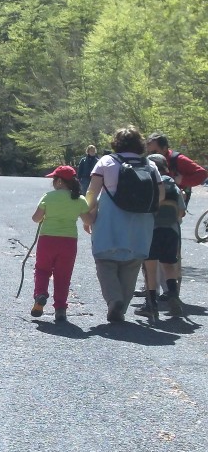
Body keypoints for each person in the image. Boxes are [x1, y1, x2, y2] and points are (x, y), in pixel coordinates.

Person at [84, 126, 164, 323]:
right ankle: (121, 307)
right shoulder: (150, 165)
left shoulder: (106, 161)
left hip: (110, 221)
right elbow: (160, 195)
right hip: (141, 223)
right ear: (139, 143)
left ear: (116, 143)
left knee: (105, 262)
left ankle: (114, 300)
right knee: (131, 264)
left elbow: (92, 194)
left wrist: (87, 216)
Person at [29, 165, 93, 322]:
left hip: (47, 240)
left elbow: (36, 218)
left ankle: (40, 295)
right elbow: (88, 220)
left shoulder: (48, 197)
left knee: (42, 270)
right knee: (63, 275)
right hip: (69, 242)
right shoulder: (79, 199)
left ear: (59, 182)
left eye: (53, 180)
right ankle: (60, 309)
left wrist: (46, 216)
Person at [135, 154, 186, 319]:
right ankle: (173, 295)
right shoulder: (174, 186)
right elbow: (181, 212)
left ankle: (151, 305)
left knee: (150, 269)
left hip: (152, 230)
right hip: (171, 230)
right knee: (169, 265)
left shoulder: (148, 184)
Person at [146, 132, 206, 206]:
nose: (151, 155)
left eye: (154, 152)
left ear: (164, 148)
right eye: (149, 152)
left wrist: (183, 180)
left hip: (175, 203)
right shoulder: (148, 161)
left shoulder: (178, 159)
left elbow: (202, 174)